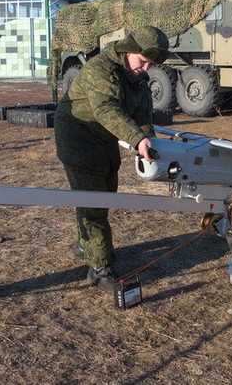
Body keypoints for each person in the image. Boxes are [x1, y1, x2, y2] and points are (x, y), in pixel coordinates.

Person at [54, 25, 170, 292]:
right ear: (128, 50)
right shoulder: (100, 69)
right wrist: (135, 138)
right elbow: (106, 108)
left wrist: (148, 140)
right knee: (94, 200)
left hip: (104, 137)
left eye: (151, 64)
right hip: (77, 136)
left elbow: (143, 115)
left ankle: (85, 243)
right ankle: (100, 267)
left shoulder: (138, 79)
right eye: (143, 61)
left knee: (106, 189)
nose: (146, 68)